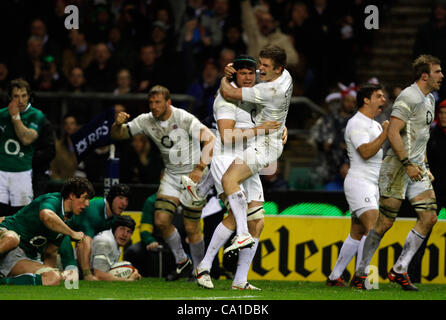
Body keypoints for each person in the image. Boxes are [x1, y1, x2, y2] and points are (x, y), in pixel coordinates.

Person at [188, 54, 282, 290]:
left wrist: (281, 129)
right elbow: (227, 137)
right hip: (225, 157)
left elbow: (272, 116)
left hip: (248, 158)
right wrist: (261, 130)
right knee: (236, 214)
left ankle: (238, 279)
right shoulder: (225, 99)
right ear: (235, 75)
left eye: (252, 73)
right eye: (243, 73)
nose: (248, 77)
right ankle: (207, 264)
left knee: (258, 222)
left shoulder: (255, 95)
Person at [352, 55, 444, 291]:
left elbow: (420, 136)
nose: (441, 76)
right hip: (397, 167)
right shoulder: (409, 96)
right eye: (437, 72)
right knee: (385, 223)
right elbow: (393, 133)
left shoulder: (429, 99)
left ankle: (399, 269)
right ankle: (361, 272)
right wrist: (408, 163)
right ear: (424, 75)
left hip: (417, 168)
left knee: (429, 217)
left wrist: (424, 165)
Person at [111, 85, 216, 281]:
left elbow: (210, 139)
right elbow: (119, 135)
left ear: (168, 102)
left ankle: (200, 270)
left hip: (194, 175)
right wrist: (117, 125)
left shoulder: (183, 118)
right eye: (151, 102)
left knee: (192, 227)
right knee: (161, 220)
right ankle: (182, 262)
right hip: (171, 175)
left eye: (158, 102)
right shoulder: (146, 120)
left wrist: (200, 168)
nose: (153, 106)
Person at [217, 45, 292, 257]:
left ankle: (241, 234)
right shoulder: (287, 75)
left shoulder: (268, 90)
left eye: (264, 66)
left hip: (262, 144)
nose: (260, 70)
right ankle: (234, 276)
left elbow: (228, 91)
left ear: (278, 69)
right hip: (265, 139)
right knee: (256, 216)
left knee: (229, 180)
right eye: (259, 63)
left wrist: (225, 77)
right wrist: (281, 123)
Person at [326, 83, 388, 287]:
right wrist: (385, 134)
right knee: (373, 229)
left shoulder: (376, 124)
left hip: (370, 184)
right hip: (359, 183)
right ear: (366, 100)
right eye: (378, 96)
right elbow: (366, 152)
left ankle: (335, 277)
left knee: (357, 232)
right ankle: (362, 278)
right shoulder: (357, 123)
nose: (383, 99)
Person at [0, 177, 93, 286]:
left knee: (53, 277)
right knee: (12, 239)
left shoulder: (67, 220)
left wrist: (50, 273)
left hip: (21, 256)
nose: (87, 204)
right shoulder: (53, 200)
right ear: (72, 196)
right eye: (85, 198)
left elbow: (51, 252)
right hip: (5, 237)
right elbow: (46, 216)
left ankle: (3, 282)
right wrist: (72, 233)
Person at [63, 183, 131, 281]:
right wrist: (88, 272)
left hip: (75, 238)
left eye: (127, 200)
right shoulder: (94, 209)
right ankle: (86, 274)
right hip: (61, 235)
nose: (124, 203)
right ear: (111, 198)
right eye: (120, 198)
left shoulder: (114, 216)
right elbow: (84, 241)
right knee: (85, 241)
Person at [0, 79, 47, 217]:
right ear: (10, 97)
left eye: (24, 96)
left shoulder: (36, 115)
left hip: (22, 173)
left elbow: (26, 139)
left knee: (22, 216)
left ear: (29, 96)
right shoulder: (1, 115)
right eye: (16, 96)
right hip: (0, 171)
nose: (20, 100)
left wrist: (15, 117)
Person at [90, 215, 142, 281]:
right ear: (114, 229)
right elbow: (99, 275)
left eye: (129, 231)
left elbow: (110, 269)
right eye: (122, 229)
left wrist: (133, 271)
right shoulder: (105, 242)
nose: (125, 234)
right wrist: (127, 280)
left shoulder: (116, 245)